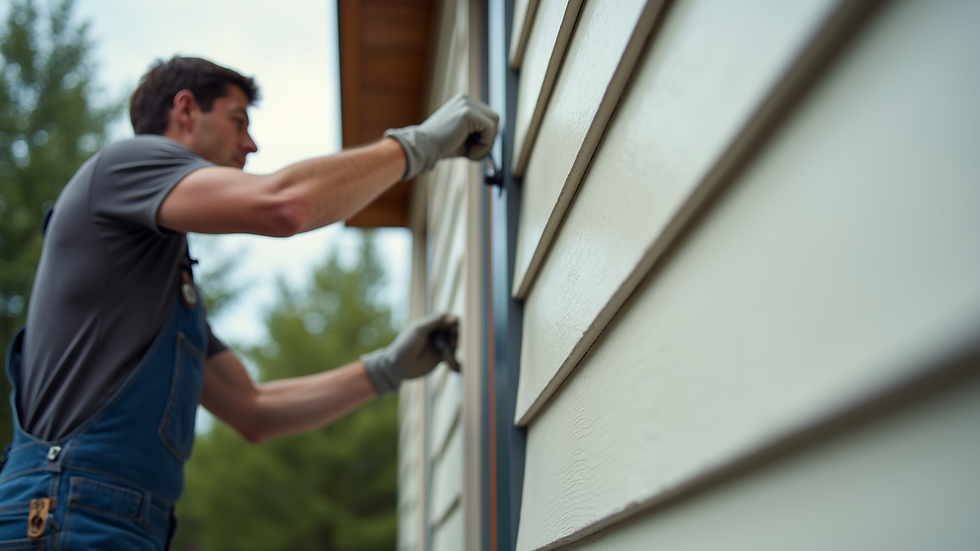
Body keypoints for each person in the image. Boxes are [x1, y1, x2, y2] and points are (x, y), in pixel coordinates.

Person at [0, 56, 497, 549]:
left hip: (112, 518)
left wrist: (385, 369)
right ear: (186, 109)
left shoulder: (161, 287)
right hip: (65, 508)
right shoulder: (126, 163)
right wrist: (421, 144)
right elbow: (283, 206)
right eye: (239, 121)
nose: (251, 144)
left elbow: (252, 410)